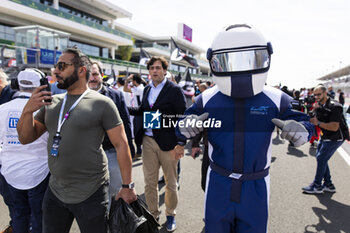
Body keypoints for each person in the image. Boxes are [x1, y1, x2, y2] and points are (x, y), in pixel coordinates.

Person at [176, 24, 314, 233]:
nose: (239, 68)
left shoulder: (276, 98)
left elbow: (305, 125)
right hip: (218, 183)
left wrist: (300, 131)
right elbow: (181, 124)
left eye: (250, 60)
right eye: (228, 61)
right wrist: (185, 128)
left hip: (256, 184)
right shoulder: (206, 98)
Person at [16, 47, 136, 233]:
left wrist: (127, 186)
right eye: (56, 66)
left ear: (81, 70)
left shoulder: (102, 103)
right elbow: (25, 138)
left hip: (92, 192)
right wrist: (28, 110)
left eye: (62, 66)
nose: (56, 71)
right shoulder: (52, 102)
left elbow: (121, 144)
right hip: (55, 191)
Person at [128, 56, 186, 232]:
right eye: (152, 68)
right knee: (149, 183)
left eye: (158, 68)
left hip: (169, 143)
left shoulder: (174, 90)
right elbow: (144, 111)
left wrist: (182, 142)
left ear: (165, 70)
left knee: (170, 183)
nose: (155, 71)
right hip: (148, 140)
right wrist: (123, 107)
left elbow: (183, 116)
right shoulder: (146, 90)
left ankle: (170, 215)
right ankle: (152, 216)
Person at [0, 69, 50, 233]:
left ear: (15, 84)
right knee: (39, 217)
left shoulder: (2, 109)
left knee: (19, 215)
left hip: (10, 172)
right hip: (40, 172)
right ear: (42, 85)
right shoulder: (46, 110)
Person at [88, 61, 135, 207]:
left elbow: (126, 124)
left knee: (115, 194)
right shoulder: (76, 97)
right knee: (90, 197)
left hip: (112, 153)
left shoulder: (116, 96)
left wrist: (130, 150)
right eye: (88, 74)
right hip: (87, 156)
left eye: (95, 74)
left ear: (102, 75)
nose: (92, 78)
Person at [302, 85, 348, 194]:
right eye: (315, 95)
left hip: (336, 137)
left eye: (319, 94)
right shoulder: (320, 105)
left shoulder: (335, 106)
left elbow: (334, 127)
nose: (316, 97)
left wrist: (318, 122)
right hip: (325, 136)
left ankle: (317, 186)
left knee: (321, 158)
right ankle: (329, 185)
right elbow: (314, 118)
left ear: (325, 93)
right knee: (321, 158)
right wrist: (314, 110)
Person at [124, 74, 145, 159]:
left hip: (139, 112)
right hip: (142, 112)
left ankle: (140, 151)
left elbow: (125, 89)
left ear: (134, 81)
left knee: (138, 133)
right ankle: (140, 151)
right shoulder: (142, 87)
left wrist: (127, 80)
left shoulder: (138, 89)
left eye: (132, 81)